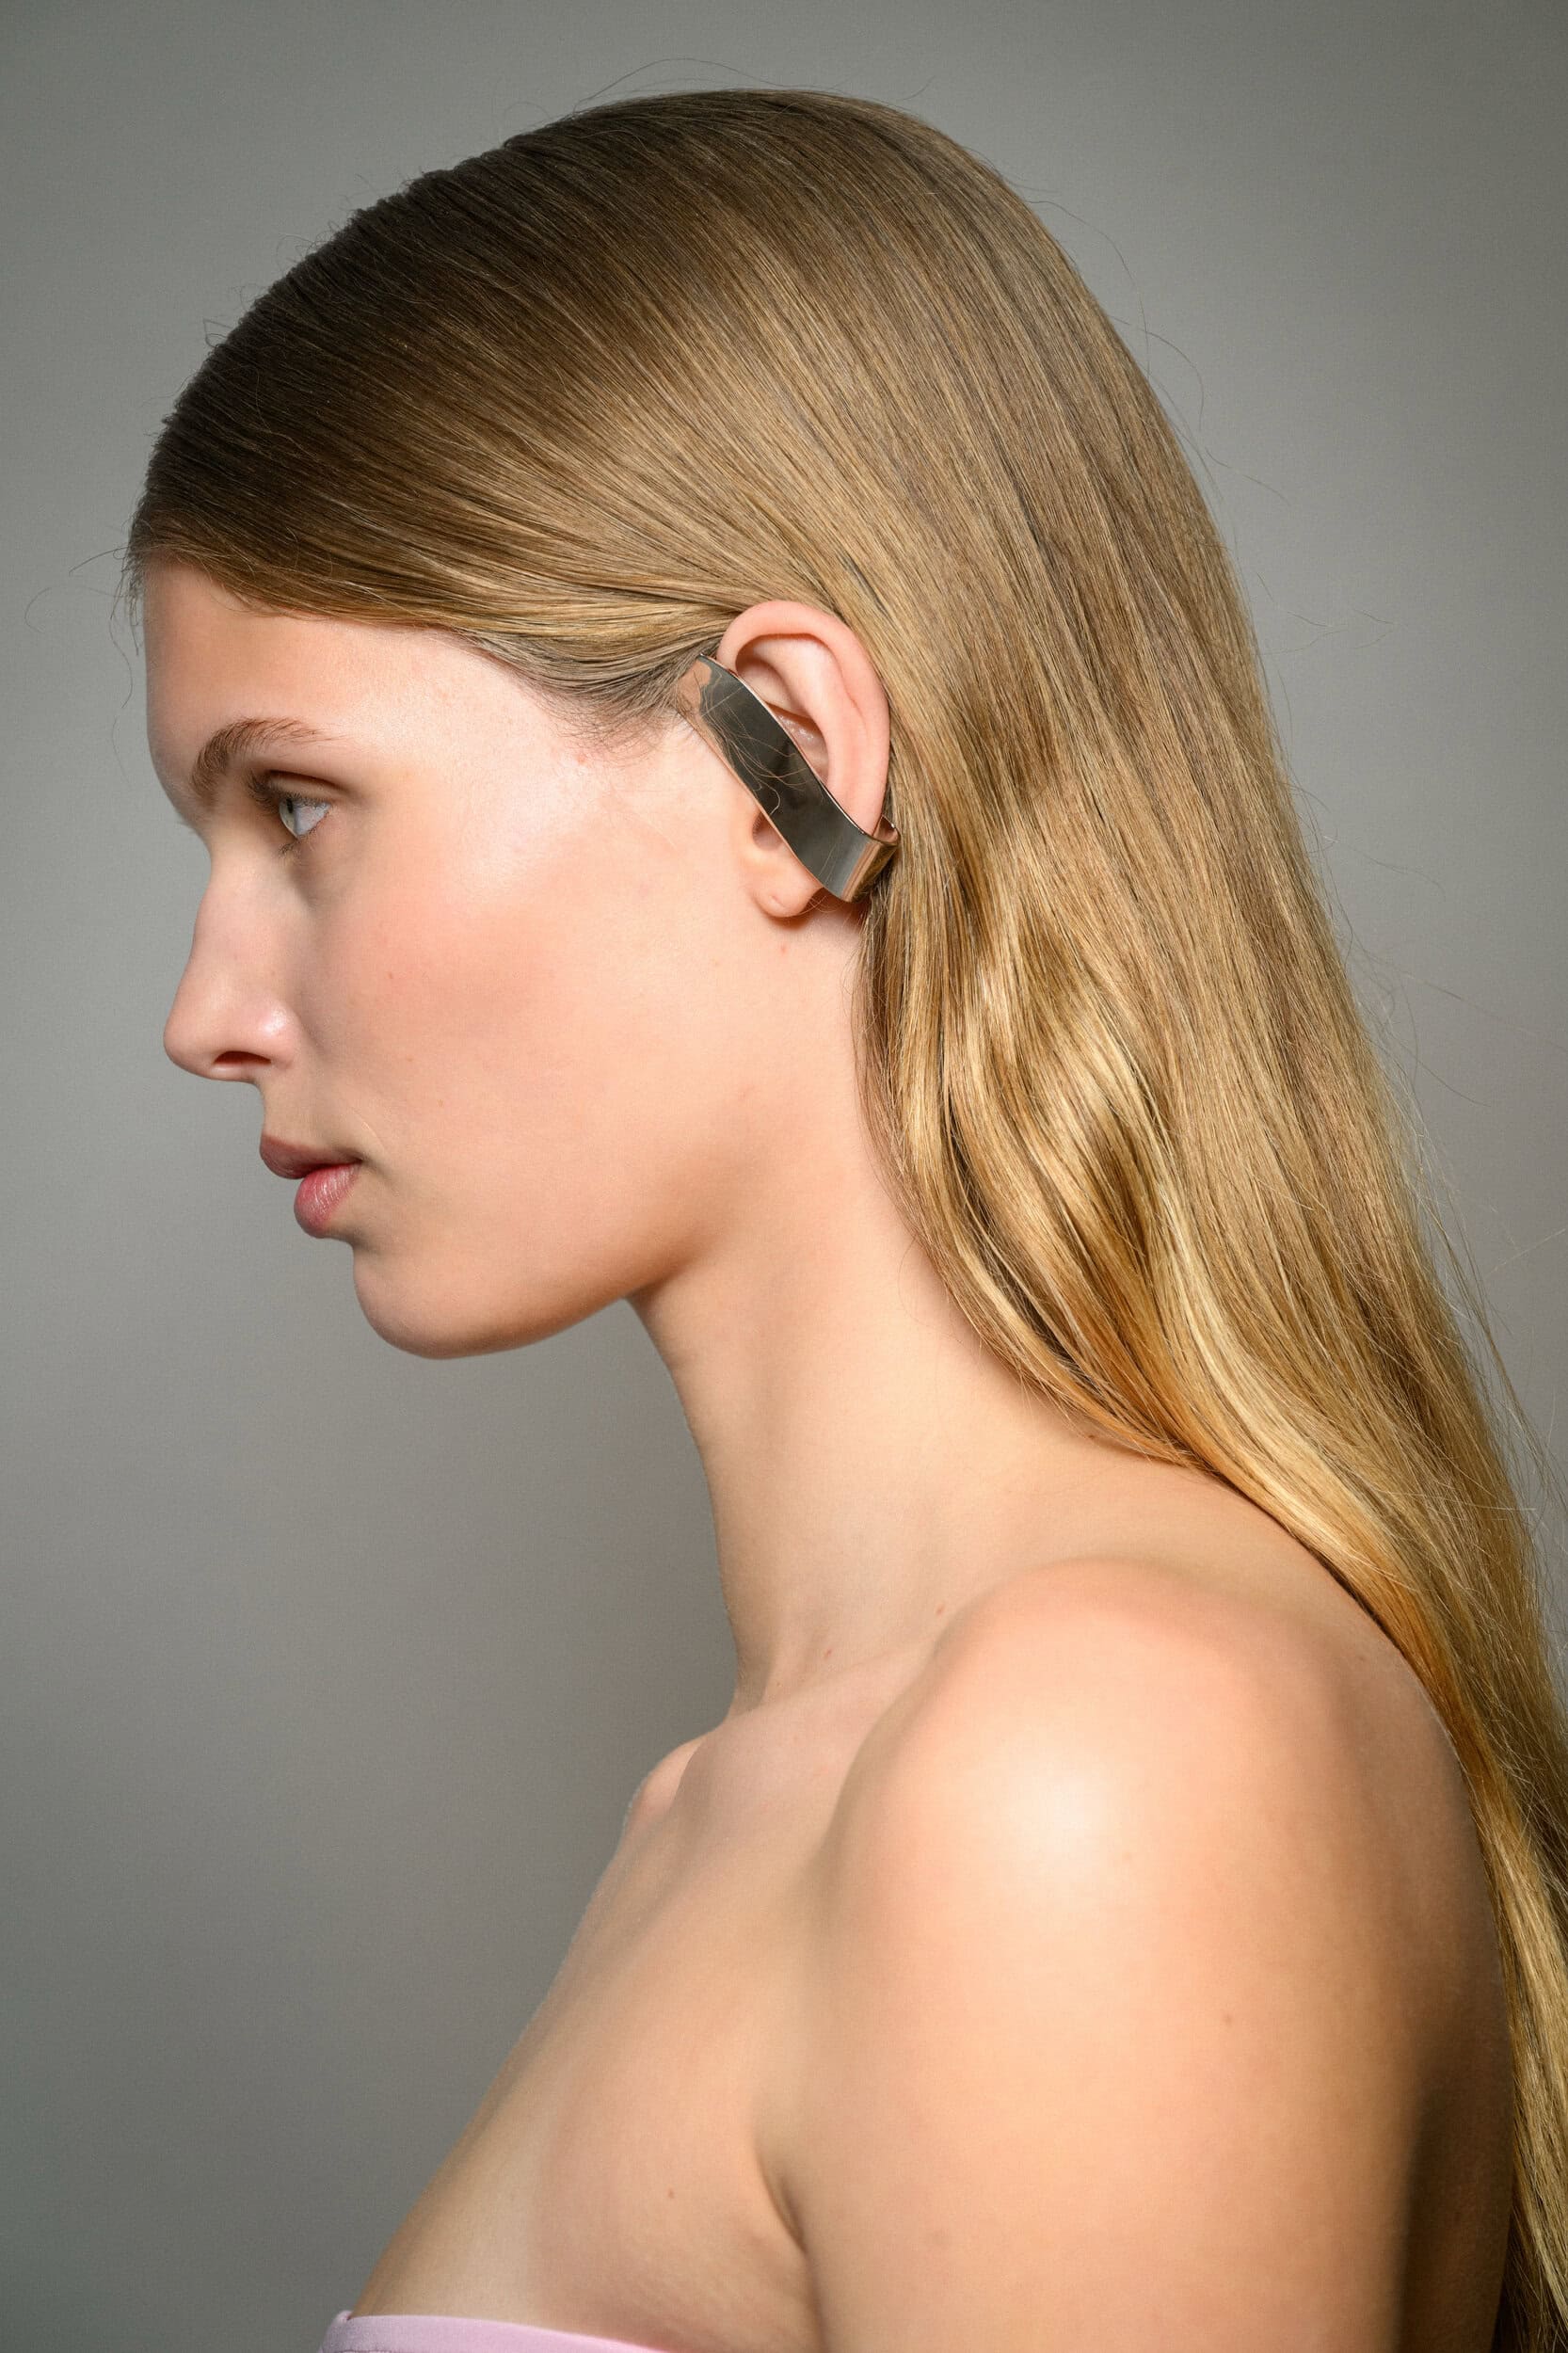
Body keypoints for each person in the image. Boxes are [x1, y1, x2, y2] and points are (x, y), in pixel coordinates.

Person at [124, 86, 1567, 2353]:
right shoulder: (771, 1802)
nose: (207, 1011)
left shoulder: (1080, 1773)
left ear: (780, 747)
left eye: (299, 806)